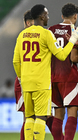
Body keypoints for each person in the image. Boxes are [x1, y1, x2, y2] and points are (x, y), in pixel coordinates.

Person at [13, 4, 78, 140]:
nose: (48, 17)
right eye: (47, 15)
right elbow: (65, 56)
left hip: (34, 80)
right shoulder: (49, 33)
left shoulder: (27, 34)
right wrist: (73, 41)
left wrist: (20, 77)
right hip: (48, 81)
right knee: (46, 117)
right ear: (42, 16)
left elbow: (15, 61)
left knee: (30, 117)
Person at [46, 3, 78, 140]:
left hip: (53, 76)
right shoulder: (75, 30)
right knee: (72, 113)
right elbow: (74, 57)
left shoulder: (50, 30)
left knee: (58, 115)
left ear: (62, 16)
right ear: (75, 16)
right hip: (69, 76)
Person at [14, 10, 34, 140]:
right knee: (28, 117)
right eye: (35, 22)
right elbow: (16, 62)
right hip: (24, 81)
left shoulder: (22, 37)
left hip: (34, 81)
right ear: (28, 23)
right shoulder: (22, 37)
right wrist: (22, 79)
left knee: (38, 117)